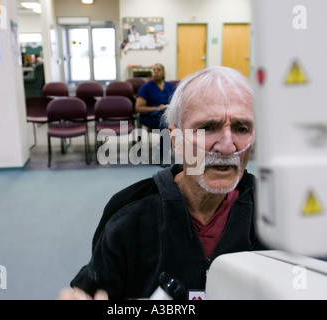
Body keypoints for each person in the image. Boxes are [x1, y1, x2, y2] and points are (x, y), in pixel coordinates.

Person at [58, 66, 266, 300]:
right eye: (208, 127)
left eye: (241, 128)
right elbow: (97, 289)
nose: (228, 146)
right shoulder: (129, 215)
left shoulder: (274, 213)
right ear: (175, 140)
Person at [135, 63, 175, 131]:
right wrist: (157, 108)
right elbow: (138, 108)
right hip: (150, 116)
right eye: (153, 70)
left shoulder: (170, 86)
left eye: (159, 70)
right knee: (165, 124)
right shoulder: (146, 87)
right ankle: (165, 142)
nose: (156, 72)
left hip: (167, 114)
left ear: (163, 73)